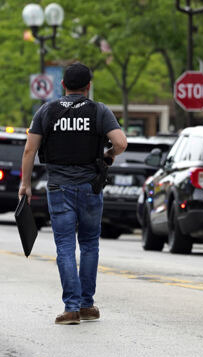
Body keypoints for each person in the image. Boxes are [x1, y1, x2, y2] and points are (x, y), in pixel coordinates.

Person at [19, 63, 127, 325]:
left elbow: (29, 150)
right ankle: (88, 304)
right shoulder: (99, 110)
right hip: (91, 186)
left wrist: (26, 184)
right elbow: (121, 142)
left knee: (65, 246)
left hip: (58, 187)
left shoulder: (47, 111)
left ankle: (71, 308)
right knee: (90, 244)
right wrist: (108, 156)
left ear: (62, 85)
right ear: (88, 86)